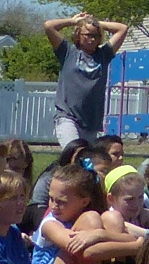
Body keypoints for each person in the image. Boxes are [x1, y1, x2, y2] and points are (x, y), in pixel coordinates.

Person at [41, 11, 128, 157]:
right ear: (78, 35)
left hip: (90, 122)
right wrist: (74, 21)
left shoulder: (103, 55)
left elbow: (122, 29)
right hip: (67, 117)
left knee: (85, 162)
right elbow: (48, 26)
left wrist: (96, 23)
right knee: (75, 155)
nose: (92, 39)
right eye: (88, 34)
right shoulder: (68, 52)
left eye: (96, 35)